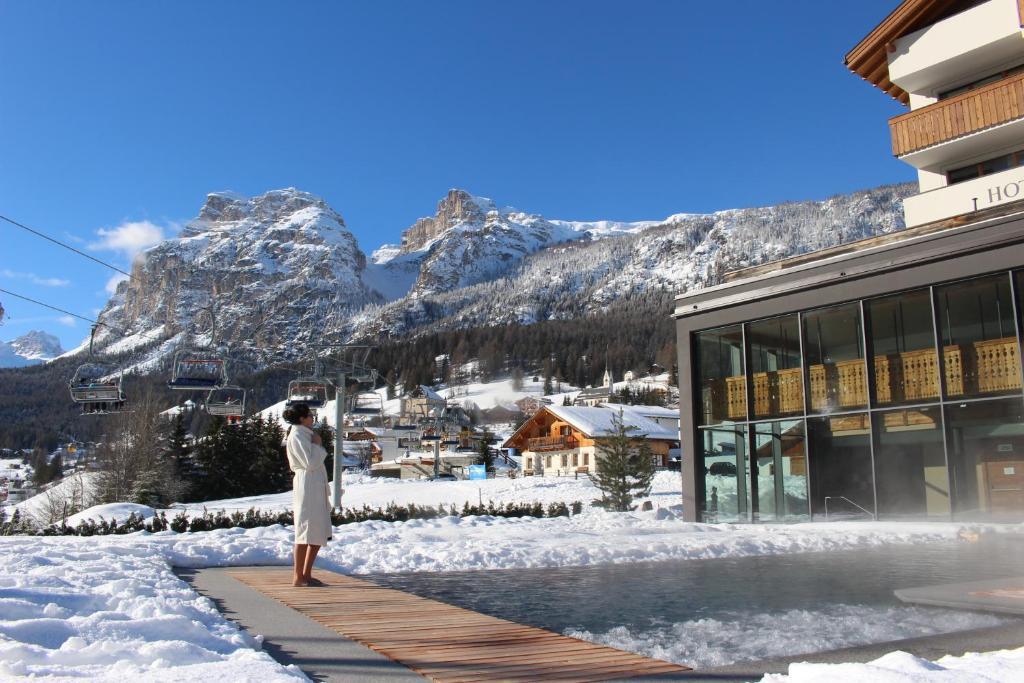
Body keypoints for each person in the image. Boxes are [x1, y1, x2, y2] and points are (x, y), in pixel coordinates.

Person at [283, 403, 332, 586]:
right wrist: (318, 446)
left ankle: (307, 573)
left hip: (315, 484)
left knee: (317, 531)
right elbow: (309, 462)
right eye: (310, 416)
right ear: (302, 418)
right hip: (307, 484)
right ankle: (298, 575)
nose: (313, 419)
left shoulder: (306, 434)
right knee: (304, 530)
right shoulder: (296, 435)